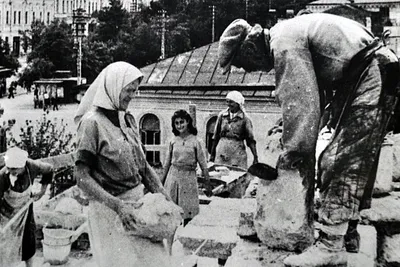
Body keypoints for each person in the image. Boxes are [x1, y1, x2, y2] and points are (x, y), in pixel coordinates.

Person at [218, 13, 399, 266]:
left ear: (249, 48)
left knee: (339, 158)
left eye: (241, 64)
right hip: (371, 70)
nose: (247, 71)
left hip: (371, 73)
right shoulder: (288, 33)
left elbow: (301, 105)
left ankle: (330, 246)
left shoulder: (283, 44)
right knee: (355, 157)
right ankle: (347, 231)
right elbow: (315, 98)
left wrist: (291, 155)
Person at [74, 61, 174, 267]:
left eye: (135, 91)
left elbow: (144, 168)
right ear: (113, 87)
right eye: (128, 90)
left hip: (137, 205)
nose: (132, 96)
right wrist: (118, 206)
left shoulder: (127, 120)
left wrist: (166, 199)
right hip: (108, 210)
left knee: (155, 261)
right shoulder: (91, 123)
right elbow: (81, 177)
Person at [0, 146, 53, 267]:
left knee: (28, 239)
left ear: (22, 165)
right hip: (6, 213)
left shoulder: (32, 166)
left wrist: (43, 191)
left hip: (25, 209)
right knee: (6, 243)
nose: (10, 171)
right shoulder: (2, 176)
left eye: (14, 169)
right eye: (9, 168)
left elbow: (49, 169)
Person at [162, 109, 212, 226]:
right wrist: (161, 183)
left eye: (182, 122)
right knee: (172, 213)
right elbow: (166, 164)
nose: (180, 125)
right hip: (173, 177)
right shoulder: (173, 141)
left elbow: (203, 165)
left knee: (188, 213)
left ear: (188, 122)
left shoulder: (196, 141)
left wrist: (207, 184)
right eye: (177, 123)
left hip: (189, 179)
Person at [210, 90, 258, 169]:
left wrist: (255, 157)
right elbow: (215, 137)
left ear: (238, 103)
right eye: (227, 102)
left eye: (231, 102)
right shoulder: (222, 116)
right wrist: (212, 155)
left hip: (237, 153)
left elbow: (250, 140)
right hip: (222, 151)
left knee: (237, 175)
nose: (229, 104)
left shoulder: (245, 119)